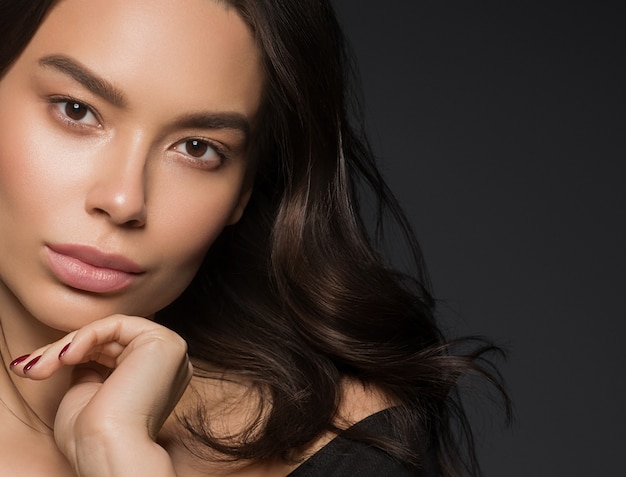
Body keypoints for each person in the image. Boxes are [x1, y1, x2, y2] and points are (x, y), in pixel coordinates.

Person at [0, 0, 509, 475]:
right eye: (76, 110)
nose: (124, 200)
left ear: (243, 190)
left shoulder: (345, 444)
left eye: (197, 148)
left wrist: (120, 453)